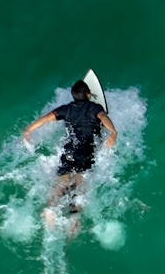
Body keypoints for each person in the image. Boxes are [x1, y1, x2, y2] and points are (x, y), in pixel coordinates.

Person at [21, 79, 117, 231]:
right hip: (85, 155)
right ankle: (73, 220)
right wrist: (112, 132)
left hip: (68, 154)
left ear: (73, 96)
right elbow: (103, 118)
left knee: (60, 184)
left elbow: (46, 118)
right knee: (79, 189)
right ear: (89, 94)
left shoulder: (66, 109)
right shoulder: (94, 108)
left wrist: (28, 130)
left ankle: (51, 209)